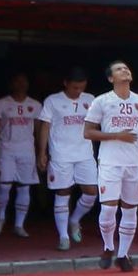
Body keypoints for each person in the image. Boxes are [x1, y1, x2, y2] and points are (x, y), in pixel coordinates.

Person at [84, 60, 138, 272]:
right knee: (108, 208)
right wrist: (117, 136)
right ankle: (108, 246)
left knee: (131, 209)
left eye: (126, 68)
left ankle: (123, 254)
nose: (125, 70)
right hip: (110, 161)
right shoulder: (102, 101)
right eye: (118, 69)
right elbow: (88, 132)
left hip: (134, 163)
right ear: (111, 78)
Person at [37, 67, 98, 251]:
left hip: (85, 153)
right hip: (61, 154)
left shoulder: (91, 100)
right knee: (63, 193)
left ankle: (75, 219)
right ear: (65, 83)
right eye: (74, 87)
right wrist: (42, 152)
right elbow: (45, 127)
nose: (77, 91)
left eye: (81, 87)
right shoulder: (53, 101)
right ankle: (63, 236)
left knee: (91, 192)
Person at [0, 73, 42, 237]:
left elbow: (39, 131)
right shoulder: (2, 103)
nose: (21, 84)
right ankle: (0, 218)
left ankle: (19, 225)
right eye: (17, 81)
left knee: (24, 187)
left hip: (27, 151)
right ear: (11, 84)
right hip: (6, 150)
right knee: (4, 185)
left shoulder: (35, 105)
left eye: (24, 81)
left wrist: (42, 152)